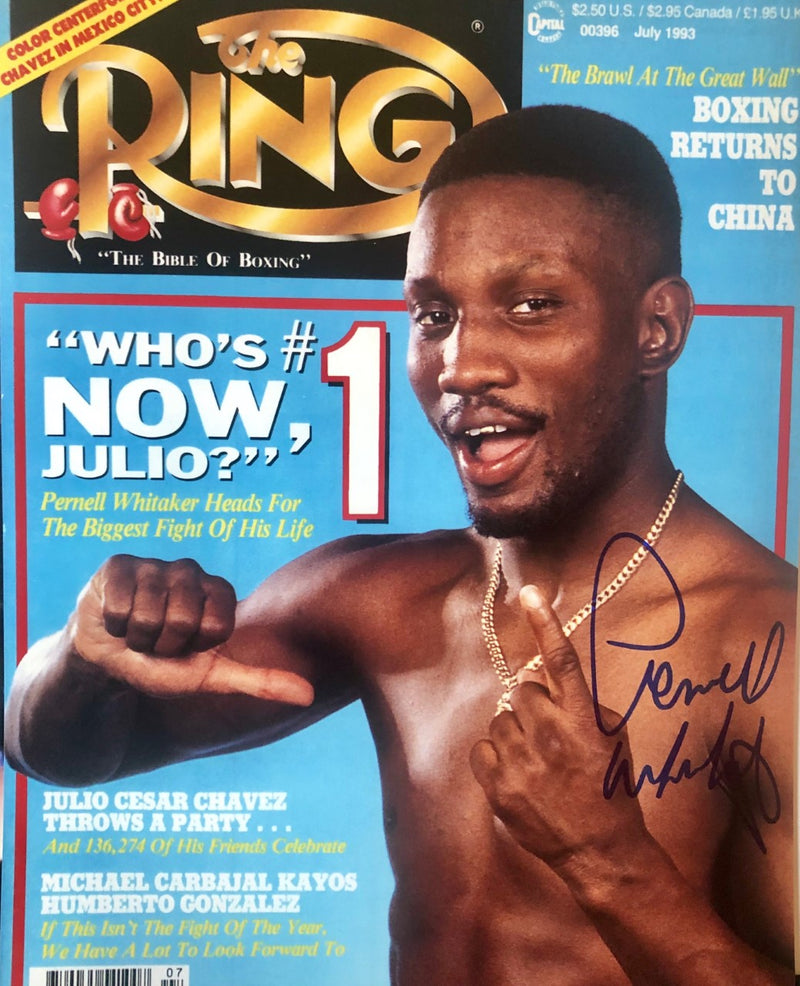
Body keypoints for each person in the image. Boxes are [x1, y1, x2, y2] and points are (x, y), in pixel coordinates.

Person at [6, 106, 796, 985]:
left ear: (658, 330)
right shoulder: (382, 598)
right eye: (433, 314)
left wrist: (612, 861)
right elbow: (61, 751)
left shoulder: (771, 646)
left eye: (531, 306)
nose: (461, 365)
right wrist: (84, 659)